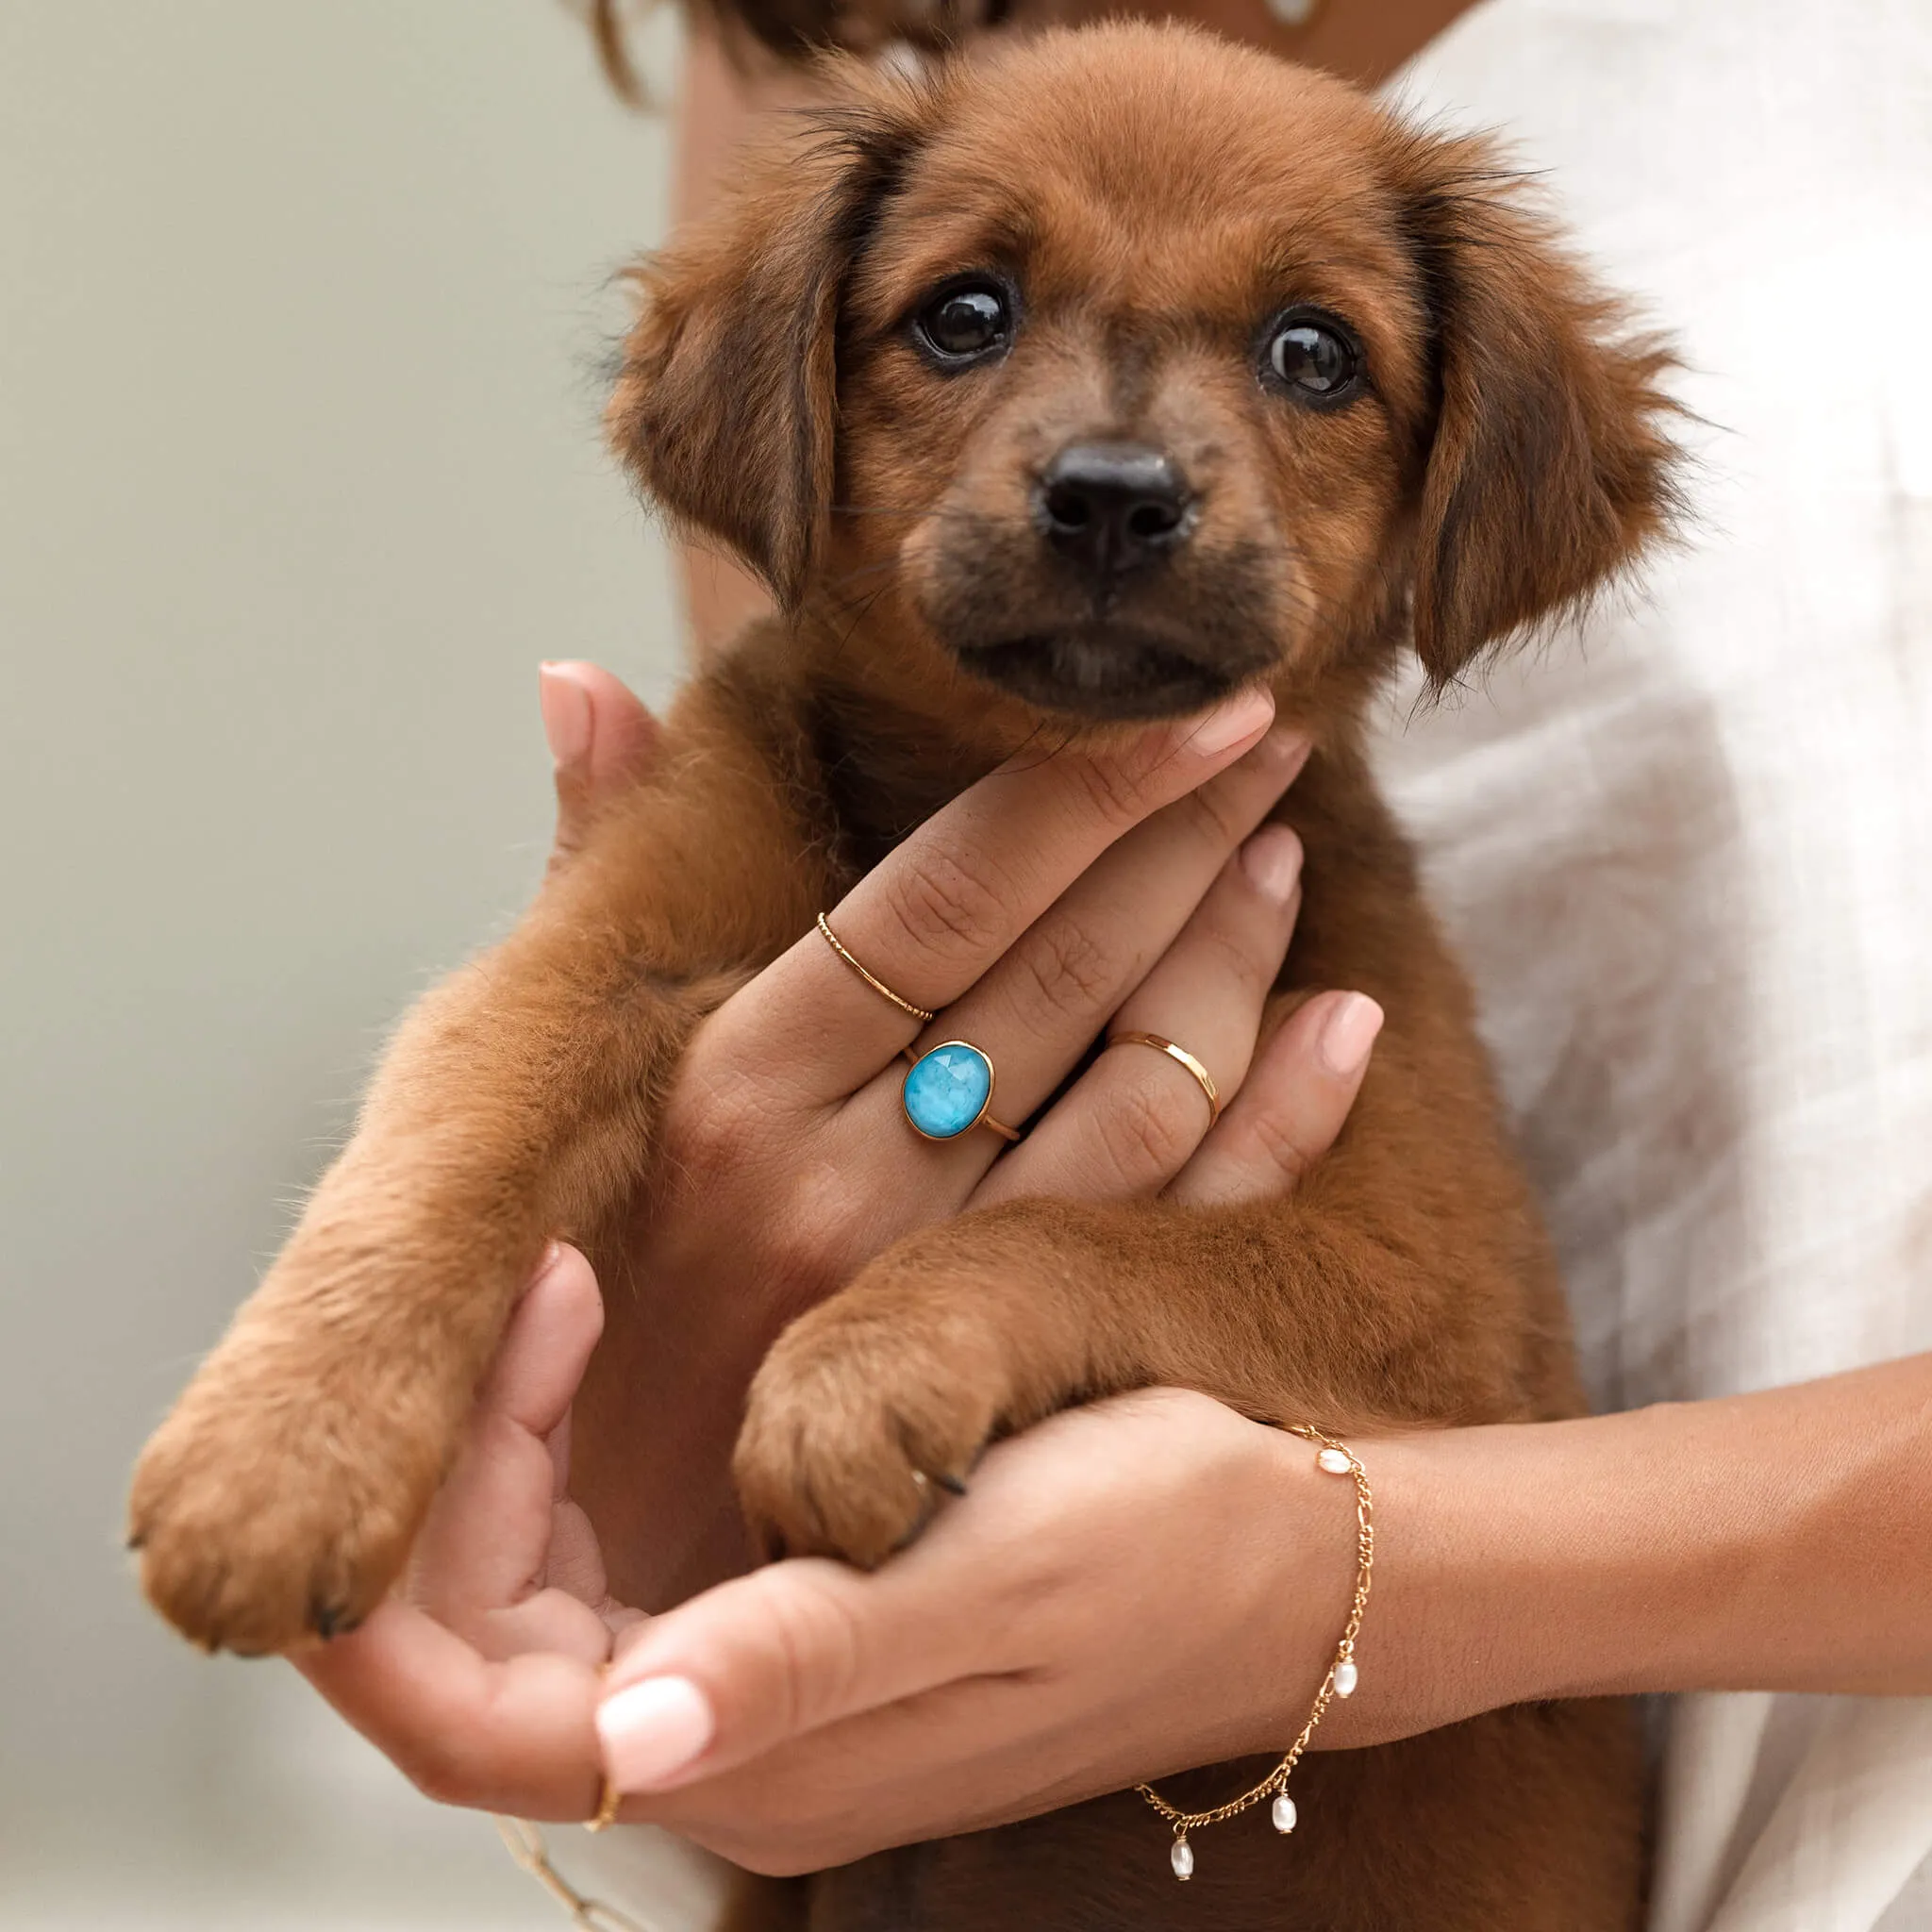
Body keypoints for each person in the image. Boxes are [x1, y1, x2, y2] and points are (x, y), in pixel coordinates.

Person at [304, 0, 1932, 1925]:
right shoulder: (840, 43)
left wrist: (1352, 1569)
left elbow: (1400, 1329)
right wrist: (650, 1461)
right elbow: (789, 1092)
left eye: (1311, 355)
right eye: (967, 320)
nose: (1115, 463)